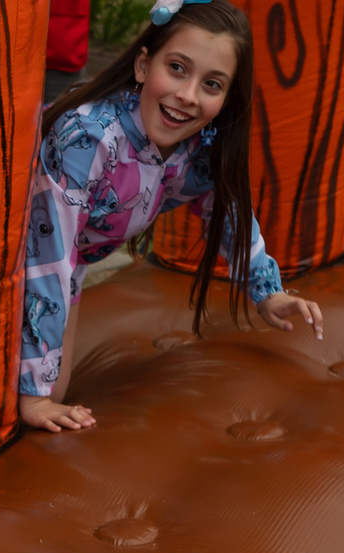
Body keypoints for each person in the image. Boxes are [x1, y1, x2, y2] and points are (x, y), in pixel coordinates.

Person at [19, 0, 324, 433]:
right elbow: (47, 256)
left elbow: (227, 208)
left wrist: (267, 292)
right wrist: (33, 392)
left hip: (68, 268)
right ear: (144, 65)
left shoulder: (193, 147)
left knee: (55, 395)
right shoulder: (88, 140)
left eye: (212, 84)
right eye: (177, 68)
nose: (188, 95)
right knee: (36, 396)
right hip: (10, 258)